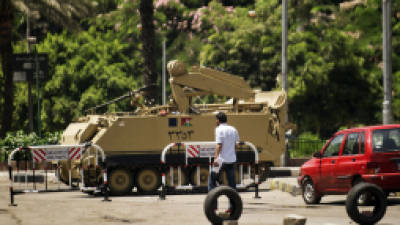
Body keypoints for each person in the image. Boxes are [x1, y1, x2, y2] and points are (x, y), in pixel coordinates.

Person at [208, 112, 239, 212]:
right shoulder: (233, 129)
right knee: (232, 185)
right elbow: (236, 145)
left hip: (221, 161)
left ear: (218, 120)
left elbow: (219, 145)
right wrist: (231, 153)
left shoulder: (218, 129)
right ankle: (232, 207)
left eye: (216, 120)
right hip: (231, 160)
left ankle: (213, 205)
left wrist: (216, 159)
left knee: (212, 181)